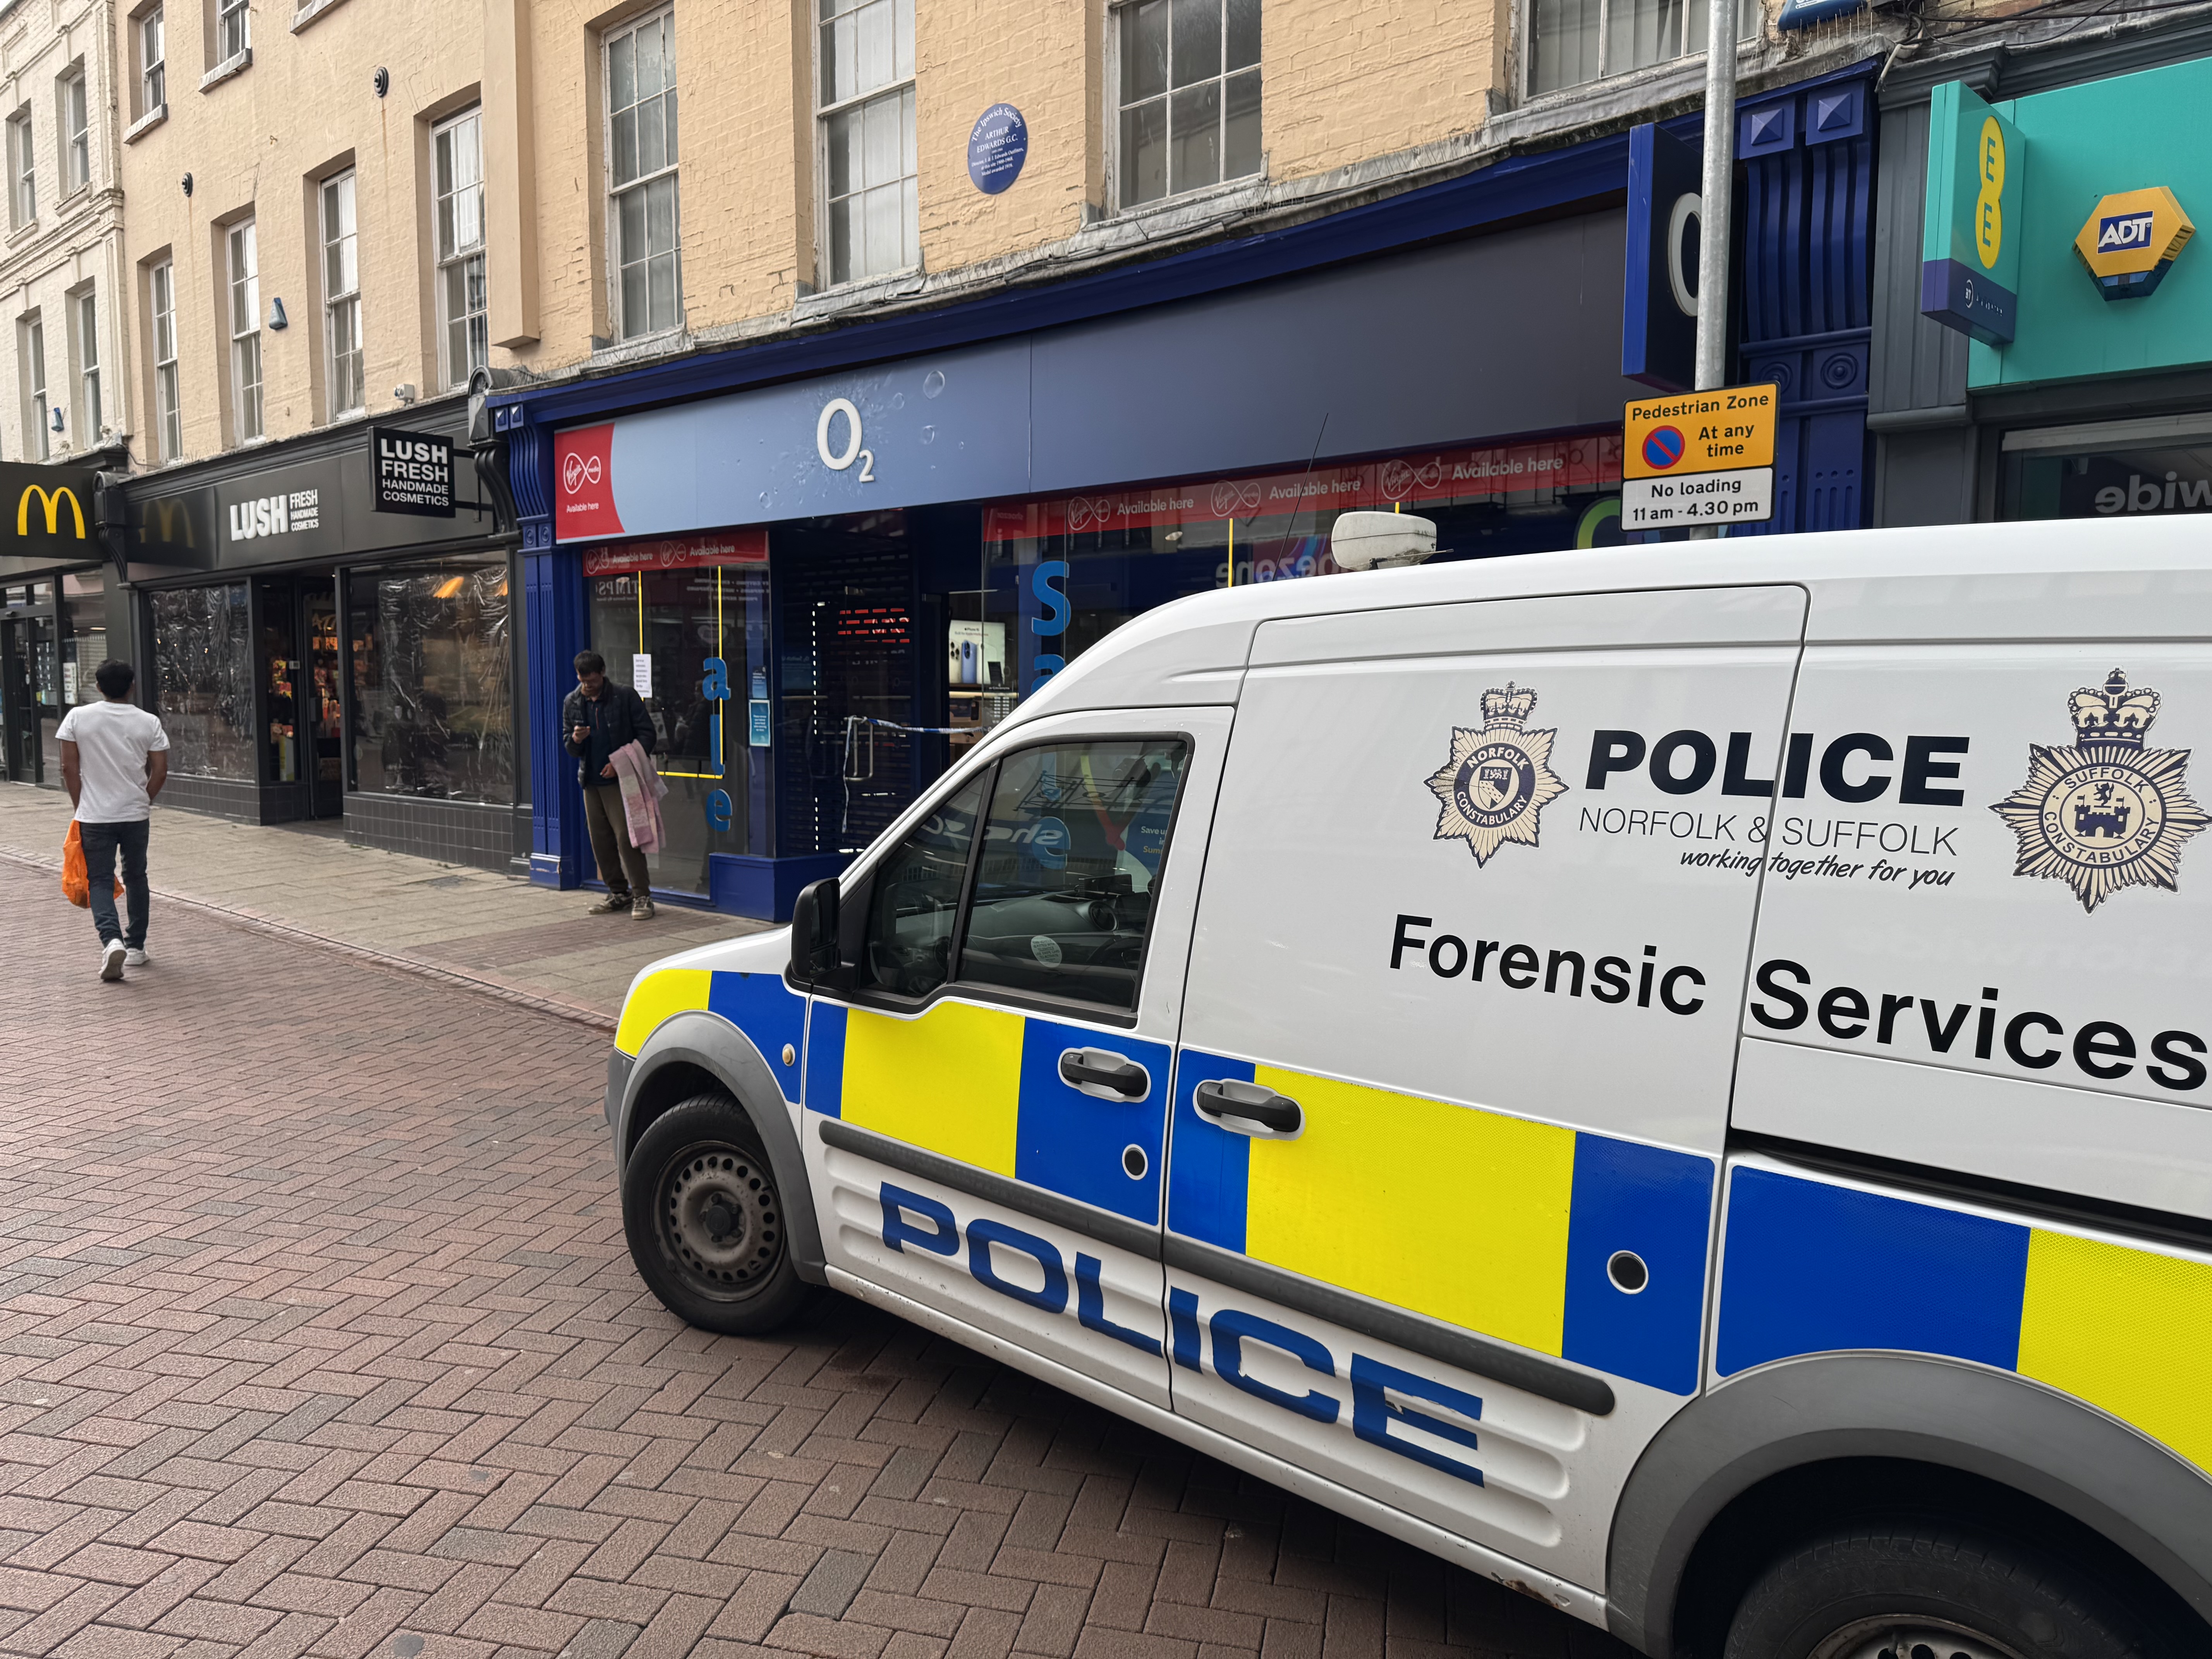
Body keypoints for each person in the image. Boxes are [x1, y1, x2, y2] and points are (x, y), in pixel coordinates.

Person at [57, 659, 170, 982]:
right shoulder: (148, 722)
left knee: (100, 880)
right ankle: (136, 946)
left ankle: (112, 941)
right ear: (132, 686)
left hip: (94, 816)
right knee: (136, 876)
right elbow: (161, 770)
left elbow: (68, 768)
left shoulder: (77, 718)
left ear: (98, 687)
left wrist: (81, 805)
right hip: (135, 814)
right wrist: (144, 799)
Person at [563, 649, 657, 918]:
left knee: (628, 838)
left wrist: (620, 764)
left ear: (603, 673)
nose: (588, 687)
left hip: (622, 780)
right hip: (590, 782)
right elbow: (569, 747)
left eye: (592, 681)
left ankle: (643, 896)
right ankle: (619, 893)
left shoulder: (624, 696)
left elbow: (648, 735)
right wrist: (576, 739)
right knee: (600, 840)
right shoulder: (572, 701)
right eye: (583, 681)